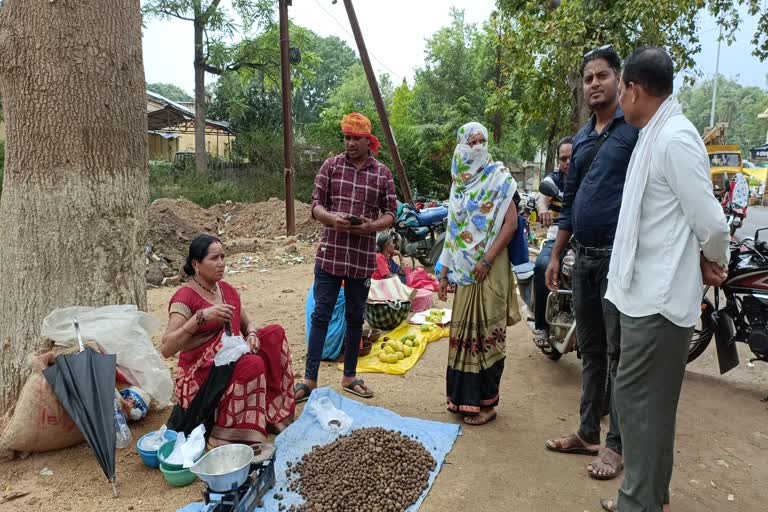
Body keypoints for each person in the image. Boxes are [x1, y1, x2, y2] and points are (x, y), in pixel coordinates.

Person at [599, 47, 730, 512]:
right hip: (640, 296)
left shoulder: (674, 138)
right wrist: (699, 256)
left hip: (657, 303)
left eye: (619, 91)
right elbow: (669, 219)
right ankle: (647, 496)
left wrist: (713, 258)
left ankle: (639, 502)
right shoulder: (654, 133)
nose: (618, 101)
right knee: (643, 409)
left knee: (640, 410)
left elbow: (710, 222)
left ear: (633, 89)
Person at [544, 45, 639, 481]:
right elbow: (569, 202)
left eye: (602, 75)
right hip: (583, 258)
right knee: (591, 350)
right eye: (588, 78)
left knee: (619, 355)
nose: (595, 83)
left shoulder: (635, 130)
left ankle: (616, 446)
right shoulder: (580, 139)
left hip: (621, 262)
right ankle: (586, 432)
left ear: (619, 80)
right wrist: (558, 252)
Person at [295, 112, 398, 402]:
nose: (350, 143)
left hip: (361, 257)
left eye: (356, 138)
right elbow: (315, 205)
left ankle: (350, 376)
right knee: (321, 315)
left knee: (355, 317)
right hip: (330, 255)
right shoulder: (330, 166)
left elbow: (391, 213)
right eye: (347, 137)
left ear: (368, 141)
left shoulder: (382, 174)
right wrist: (330, 219)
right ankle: (309, 380)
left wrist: (369, 227)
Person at [161, 235, 296, 447]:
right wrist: (201, 317)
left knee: (273, 334)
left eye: (223, 257)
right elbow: (167, 347)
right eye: (214, 258)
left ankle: (272, 414)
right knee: (252, 364)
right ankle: (230, 433)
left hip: (229, 358)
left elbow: (247, 324)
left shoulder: (227, 291)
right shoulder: (184, 297)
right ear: (196, 264)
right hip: (201, 373)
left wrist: (251, 334)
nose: (221, 263)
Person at [437, 122, 520, 426]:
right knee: (462, 333)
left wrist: (485, 259)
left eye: (482, 140)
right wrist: (443, 274)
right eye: (471, 141)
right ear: (460, 145)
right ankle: (461, 399)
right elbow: (452, 233)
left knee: (486, 333)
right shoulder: (459, 183)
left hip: (490, 267)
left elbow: (511, 224)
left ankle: (486, 404)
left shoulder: (499, 178)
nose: (478, 146)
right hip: (463, 273)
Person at [532, 136, 573, 348]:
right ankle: (541, 325)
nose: (567, 162)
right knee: (541, 267)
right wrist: (544, 211)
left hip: (583, 239)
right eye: (563, 158)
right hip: (557, 236)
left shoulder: (589, 176)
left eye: (571, 157)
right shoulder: (554, 180)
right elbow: (542, 197)